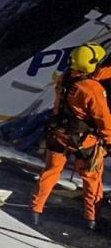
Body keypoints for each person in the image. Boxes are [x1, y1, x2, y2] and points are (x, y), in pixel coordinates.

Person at [31, 43, 111, 229]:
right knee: (91, 179)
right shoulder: (92, 89)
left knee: (50, 172)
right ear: (91, 64)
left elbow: (91, 75)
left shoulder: (65, 78)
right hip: (85, 142)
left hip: (59, 135)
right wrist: (109, 141)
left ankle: (36, 209)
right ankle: (92, 219)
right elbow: (103, 119)